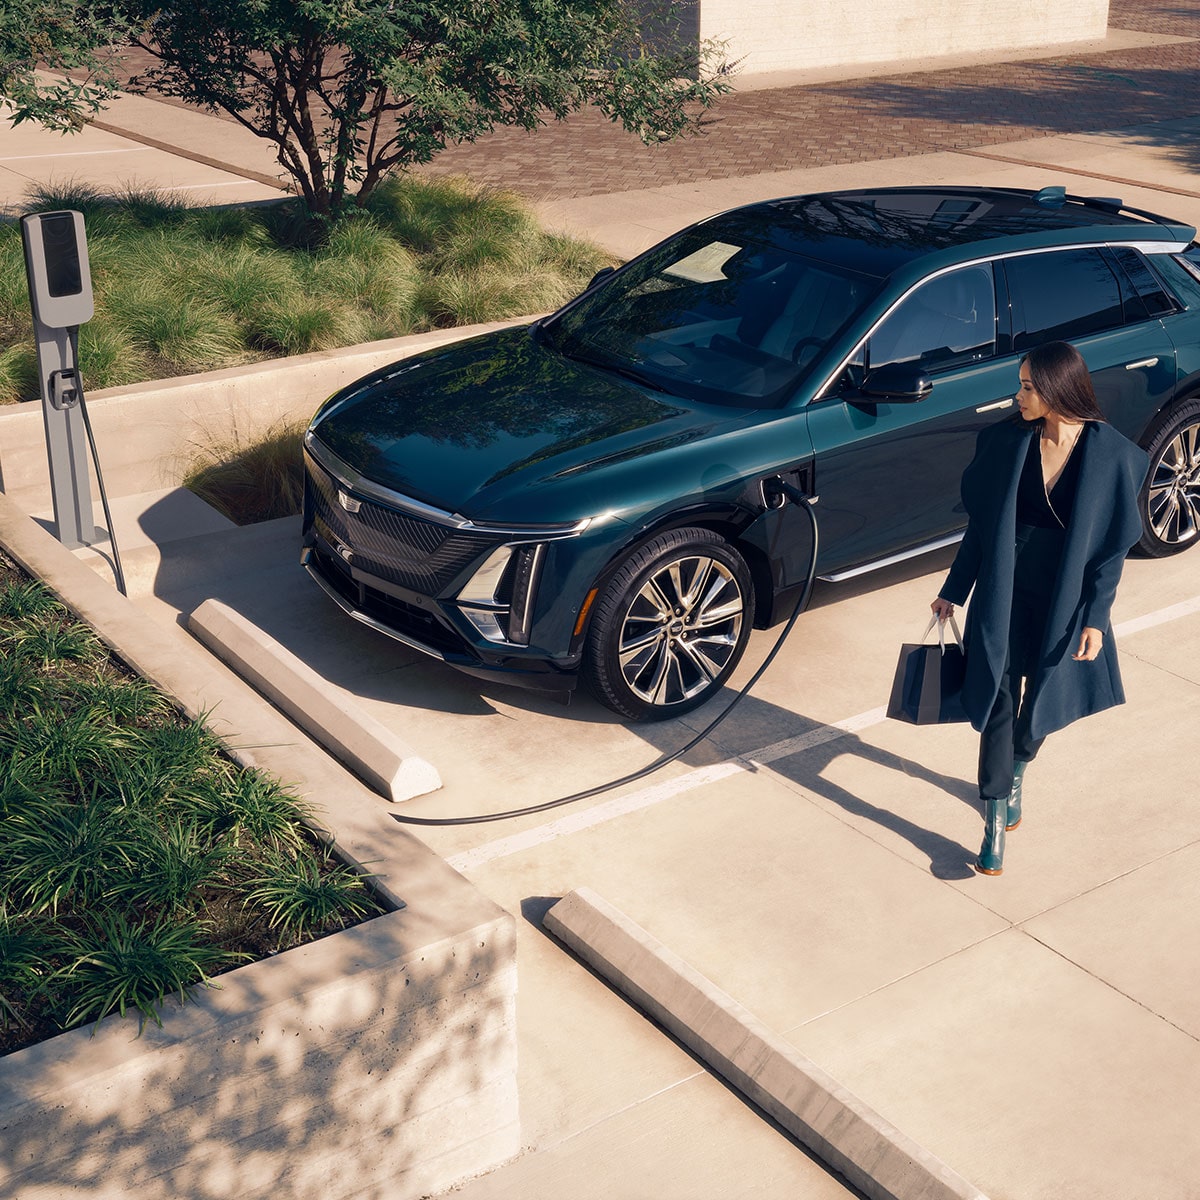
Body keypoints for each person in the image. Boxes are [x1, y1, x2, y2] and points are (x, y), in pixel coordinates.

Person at [930, 341, 1149, 876]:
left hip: (1064, 595)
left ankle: (1020, 765)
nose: (1019, 395)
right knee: (998, 701)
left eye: (1028, 386)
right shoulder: (1007, 443)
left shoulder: (1109, 454)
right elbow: (982, 531)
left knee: (1042, 699)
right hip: (1005, 588)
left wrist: (1096, 617)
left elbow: (1109, 551)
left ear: (1056, 389)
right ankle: (993, 820)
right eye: (1022, 384)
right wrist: (954, 591)